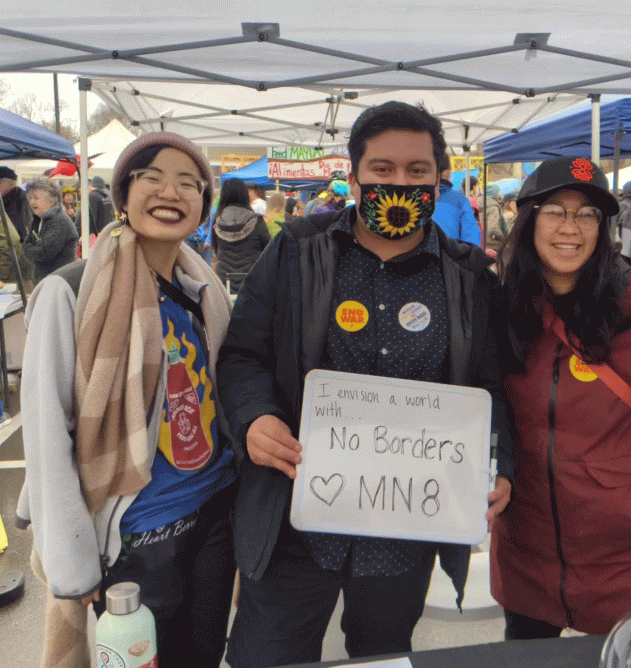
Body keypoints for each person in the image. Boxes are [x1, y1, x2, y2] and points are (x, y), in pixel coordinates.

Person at [217, 100, 514, 668]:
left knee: (382, 657)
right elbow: (242, 356)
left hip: (405, 532)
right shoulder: (296, 250)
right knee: (266, 655)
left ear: (437, 179)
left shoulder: (471, 275)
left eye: (416, 171)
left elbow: (494, 388)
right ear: (352, 176)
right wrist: (256, 418)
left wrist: (501, 470)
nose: (399, 182)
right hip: (294, 521)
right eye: (381, 170)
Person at [17, 132, 238, 668]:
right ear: (121, 194)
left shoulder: (201, 282)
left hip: (213, 512)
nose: (172, 192)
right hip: (136, 539)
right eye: (153, 179)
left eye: (190, 184)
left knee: (203, 657)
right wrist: (72, 564)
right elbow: (47, 433)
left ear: (205, 205)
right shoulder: (69, 292)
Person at [491, 156, 631, 639]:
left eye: (587, 214)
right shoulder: (502, 304)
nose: (572, 228)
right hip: (526, 558)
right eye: (555, 212)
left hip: (629, 562)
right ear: (528, 221)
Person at [212, 177, 271, 292]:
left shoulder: (217, 221)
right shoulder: (257, 221)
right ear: (244, 195)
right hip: (253, 279)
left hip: (224, 280)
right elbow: (269, 248)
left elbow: (215, 249)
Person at [23, 177, 78, 281]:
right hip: (45, 281)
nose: (32, 202)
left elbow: (44, 254)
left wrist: (31, 248)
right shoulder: (38, 220)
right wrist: (33, 248)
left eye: (36, 198)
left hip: (59, 282)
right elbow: (25, 246)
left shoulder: (59, 221)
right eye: (30, 198)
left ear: (51, 200)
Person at [432, 153, 481, 245]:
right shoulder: (460, 200)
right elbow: (472, 240)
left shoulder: (413, 197)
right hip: (450, 257)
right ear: (447, 173)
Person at [0, 165, 32, 242]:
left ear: (10, 183)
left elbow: (17, 229)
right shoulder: (13, 196)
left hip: (14, 247)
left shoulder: (18, 198)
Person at [484, 182, 507, 253]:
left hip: (479, 242)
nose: (499, 195)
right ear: (494, 193)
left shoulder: (478, 202)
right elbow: (494, 228)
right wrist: (504, 239)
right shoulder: (493, 207)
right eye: (497, 192)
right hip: (491, 245)